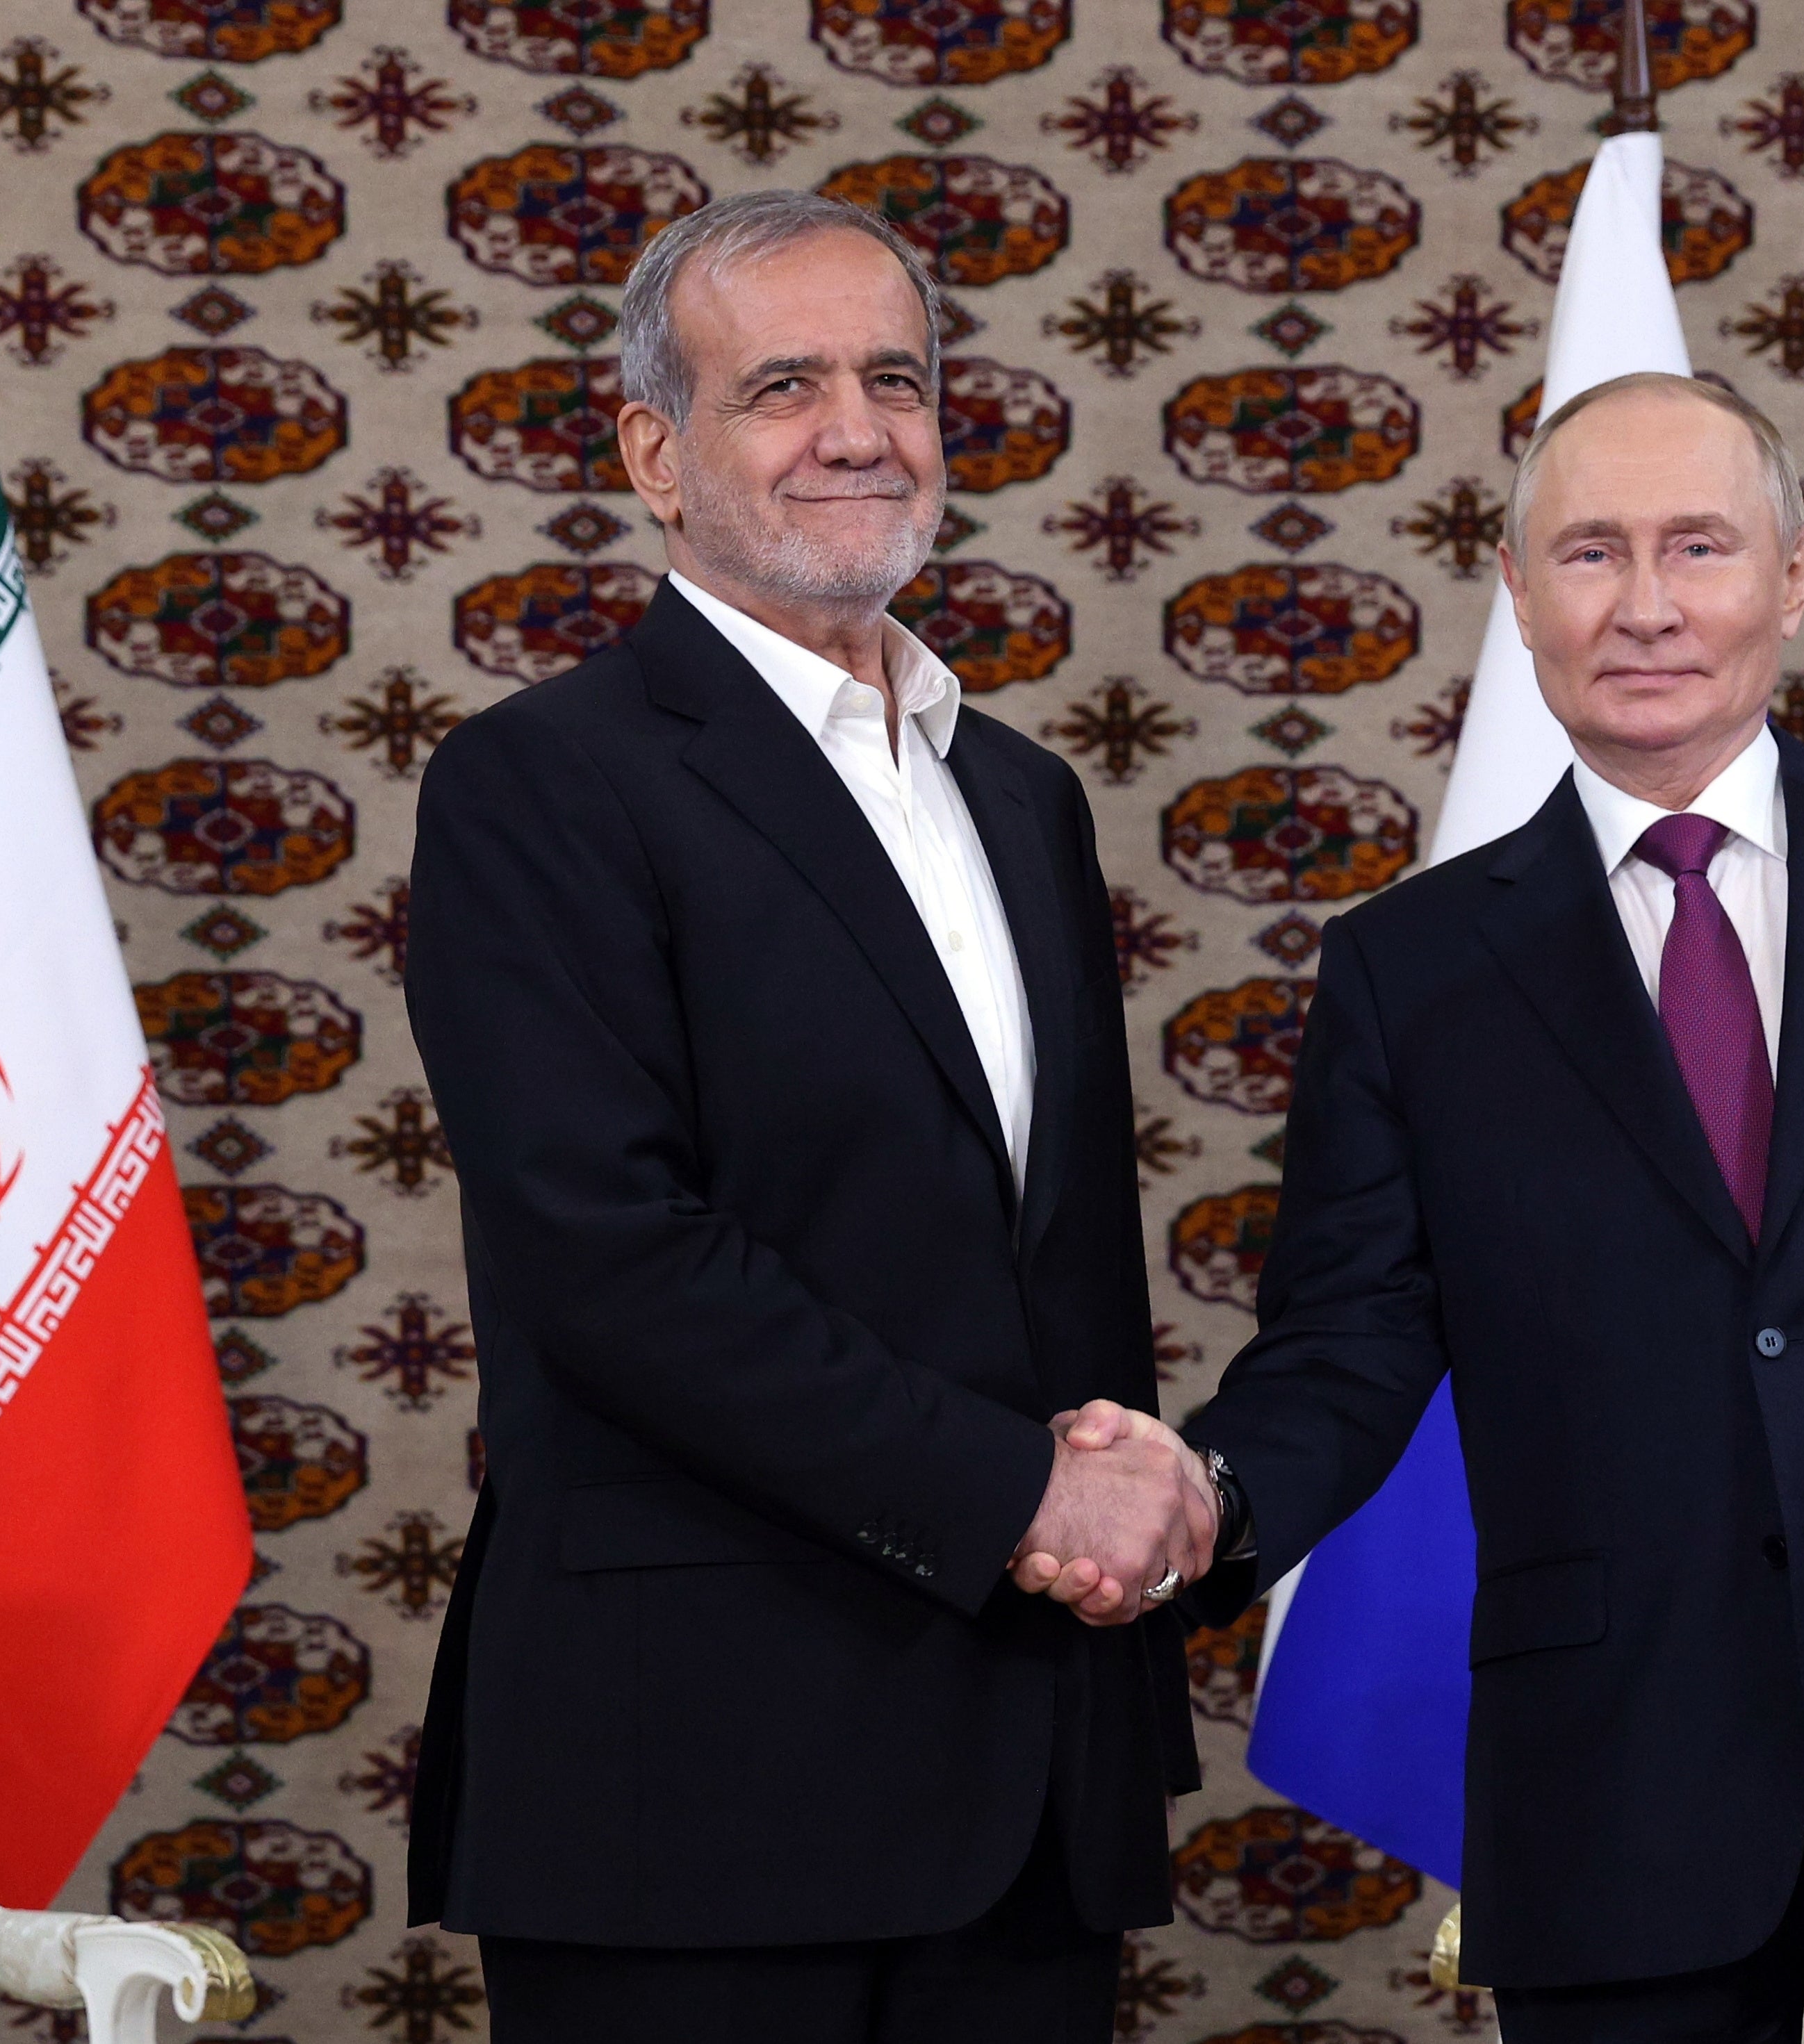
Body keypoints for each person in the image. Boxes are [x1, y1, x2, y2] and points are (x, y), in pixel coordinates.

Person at [1022, 372, 1804, 2041]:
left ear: (1796, 569)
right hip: (1611, 1795)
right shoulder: (1412, 966)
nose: (1648, 605)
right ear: (1520, 592)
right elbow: (1351, 1342)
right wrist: (1205, 1494)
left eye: (1699, 545)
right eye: (1592, 553)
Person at [404, 189, 1220, 2043]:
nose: (858, 426)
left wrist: (1119, 1530)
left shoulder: (1017, 797)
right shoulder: (541, 786)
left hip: (1025, 1780)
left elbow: (1051, 1272)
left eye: (895, 378)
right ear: (654, 454)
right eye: (782, 383)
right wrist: (1023, 1489)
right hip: (691, 1780)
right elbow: (612, 1259)